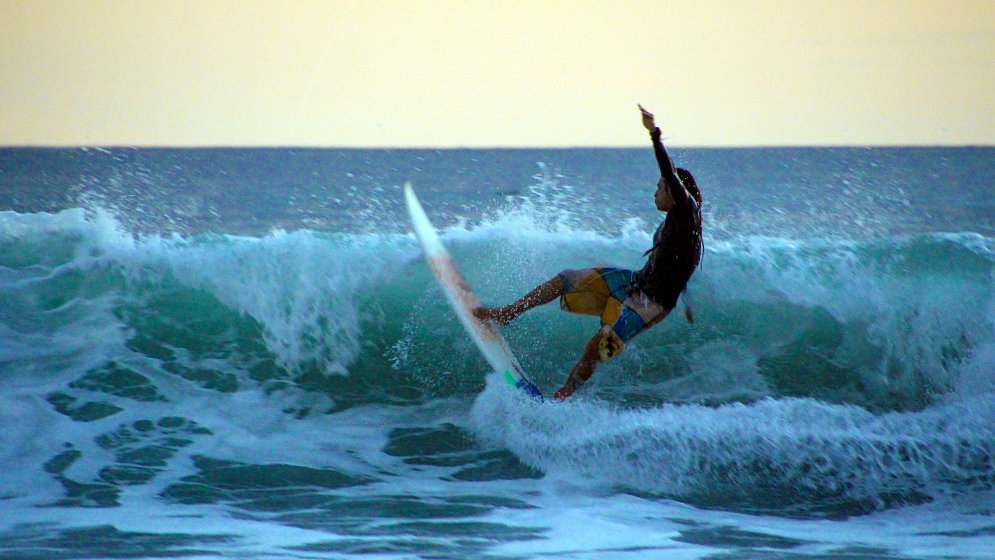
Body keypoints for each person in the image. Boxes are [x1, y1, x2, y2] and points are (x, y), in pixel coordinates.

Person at [474, 105, 703, 400]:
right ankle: (507, 314)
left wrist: (654, 134)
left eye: (660, 187)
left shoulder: (686, 211)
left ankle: (563, 395)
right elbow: (680, 265)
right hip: (634, 283)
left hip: (650, 306)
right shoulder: (677, 222)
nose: (655, 192)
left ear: (674, 192)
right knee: (565, 279)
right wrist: (687, 299)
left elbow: (668, 172)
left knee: (595, 349)